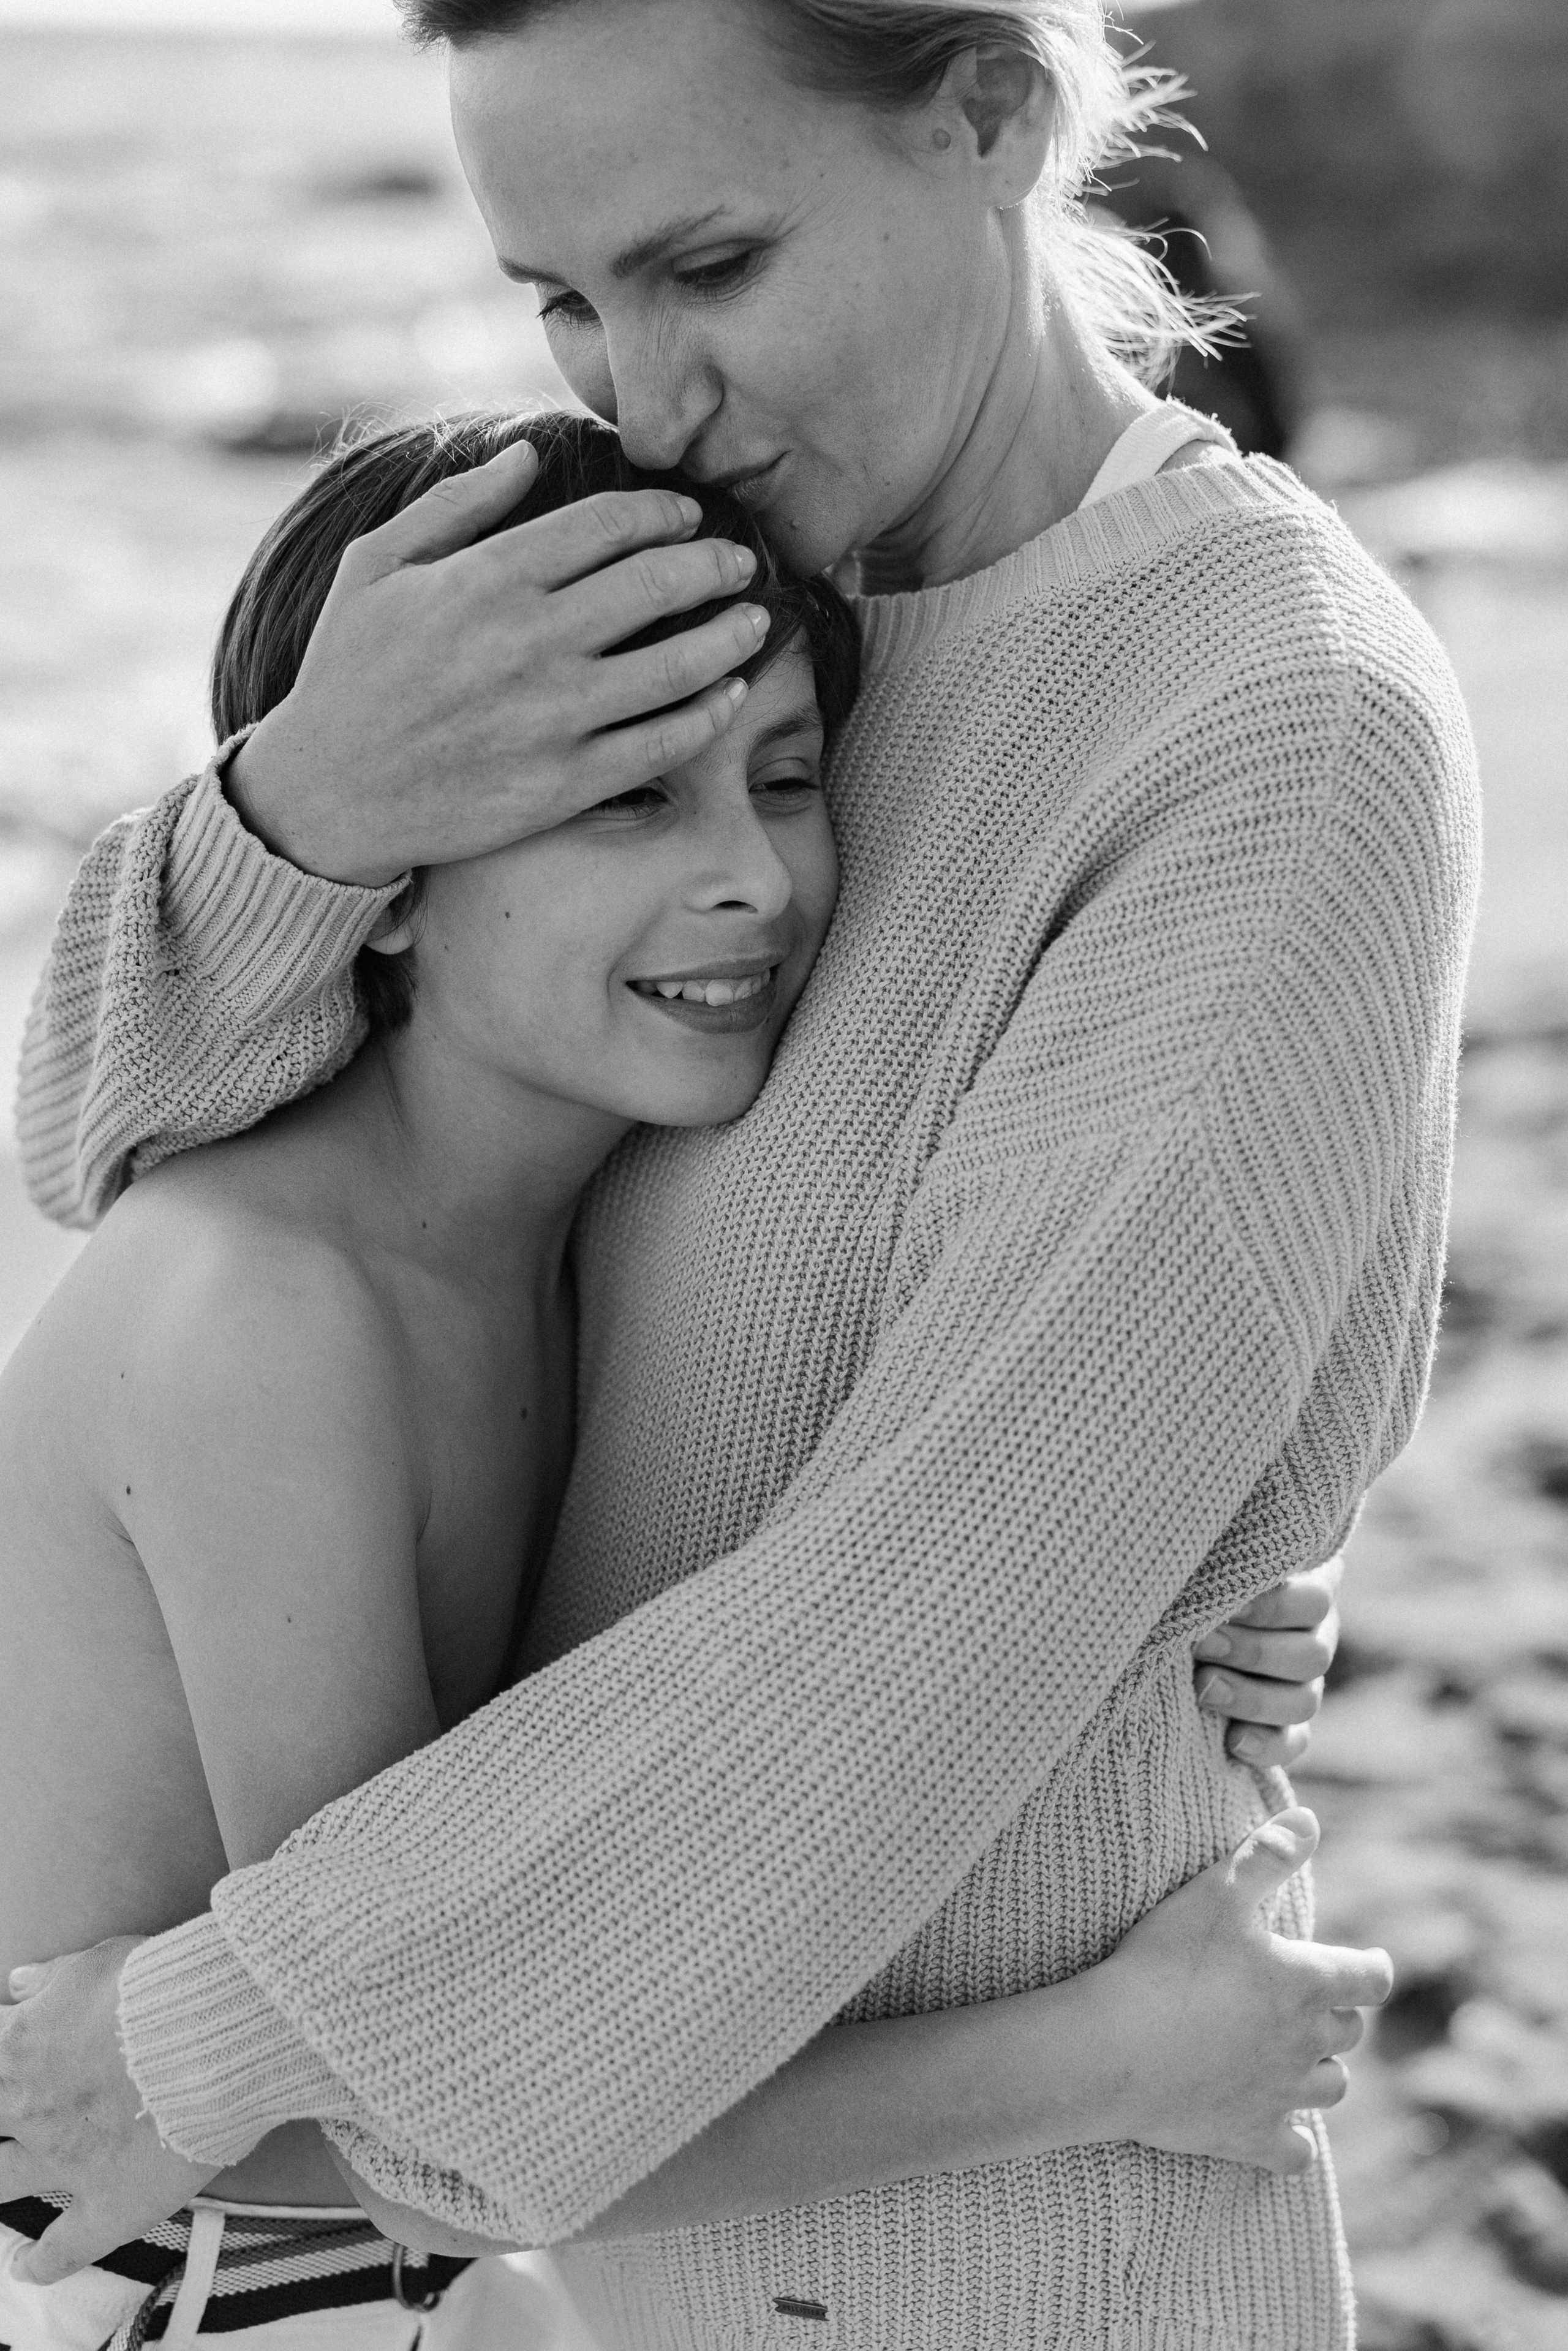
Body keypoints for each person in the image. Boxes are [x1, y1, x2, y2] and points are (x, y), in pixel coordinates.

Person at [1, 4, 1479, 2347]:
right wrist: (304, 809)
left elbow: (935, 1594)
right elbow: (120, 1145)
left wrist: (205, 2042)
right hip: (574, 2234)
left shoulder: (1269, 726)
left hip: (978, 2266)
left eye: (710, 260)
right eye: (565, 300)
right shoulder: (693, 595)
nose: (645, 396)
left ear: (990, 109)